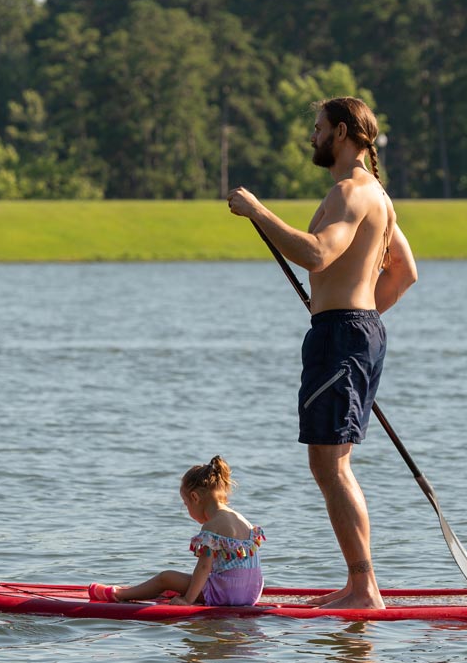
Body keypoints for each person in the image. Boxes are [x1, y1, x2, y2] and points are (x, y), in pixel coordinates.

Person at [226, 96, 418, 610]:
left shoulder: (350, 193)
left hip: (342, 337)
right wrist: (363, 318)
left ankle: (363, 590)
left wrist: (257, 211)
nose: (311, 137)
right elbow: (405, 272)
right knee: (333, 464)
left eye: (317, 128)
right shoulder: (379, 195)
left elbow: (317, 252)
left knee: (330, 467)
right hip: (353, 333)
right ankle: (361, 586)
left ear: (341, 133)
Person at [88, 456, 265, 606]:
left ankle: (119, 595)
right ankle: (164, 593)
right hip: (251, 594)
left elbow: (204, 567)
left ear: (195, 498)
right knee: (182, 583)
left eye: (186, 504)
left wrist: (188, 600)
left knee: (166, 578)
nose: (186, 509)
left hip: (228, 594)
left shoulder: (212, 526)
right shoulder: (242, 520)